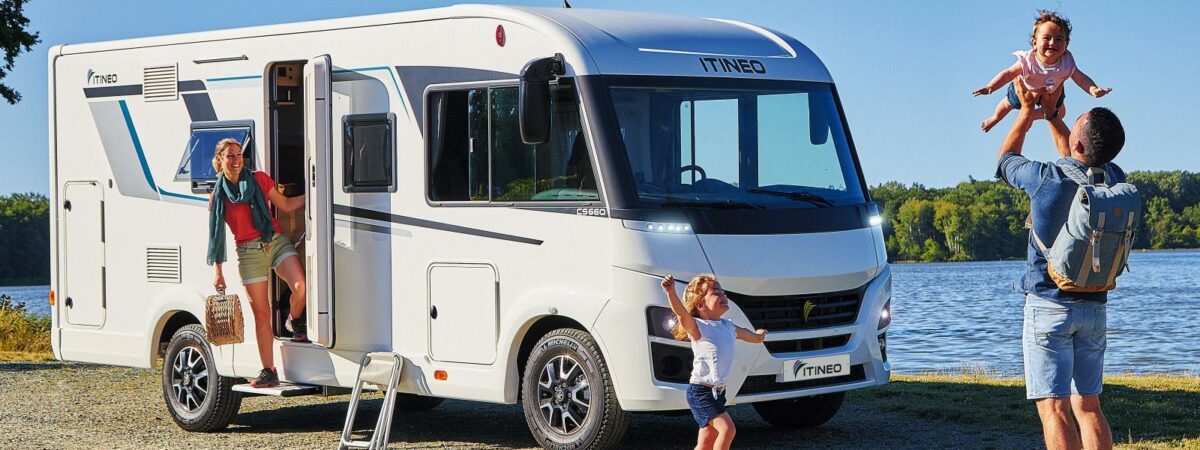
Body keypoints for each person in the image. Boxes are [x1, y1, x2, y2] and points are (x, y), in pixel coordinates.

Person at [995, 80, 1125, 450]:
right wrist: (1053, 115)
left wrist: (1025, 114)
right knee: (1088, 405)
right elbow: (1077, 154)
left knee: (1053, 407)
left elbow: (1005, 160)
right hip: (1095, 308)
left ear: (1079, 143)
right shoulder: (1114, 180)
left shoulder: (1044, 179)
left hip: (1049, 308)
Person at [207, 138, 307, 388]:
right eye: (230, 156)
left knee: (300, 286)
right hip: (248, 253)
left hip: (274, 241)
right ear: (220, 160)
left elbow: (284, 205)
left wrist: (316, 195)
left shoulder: (260, 179)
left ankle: (294, 321)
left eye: (239, 155)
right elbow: (215, 237)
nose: (237, 160)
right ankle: (269, 371)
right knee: (261, 314)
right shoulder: (217, 197)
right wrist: (218, 272)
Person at [660, 274, 767, 450]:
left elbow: (748, 335)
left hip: (717, 393)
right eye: (716, 292)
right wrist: (671, 292)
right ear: (701, 304)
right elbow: (681, 313)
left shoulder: (728, 326)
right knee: (727, 430)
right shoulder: (698, 327)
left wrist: (758, 337)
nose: (724, 296)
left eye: (723, 292)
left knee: (707, 441)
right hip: (701, 392)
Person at [974, 10, 1112, 133]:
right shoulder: (1028, 60)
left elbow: (1081, 79)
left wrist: (1093, 90)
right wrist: (991, 86)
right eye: (1047, 38)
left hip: (1052, 91)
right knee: (1006, 104)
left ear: (1066, 44)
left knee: (1061, 112)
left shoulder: (1067, 61)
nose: (1052, 43)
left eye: (1059, 39)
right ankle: (995, 118)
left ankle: (1031, 116)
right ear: (1034, 43)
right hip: (1026, 89)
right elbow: (1008, 74)